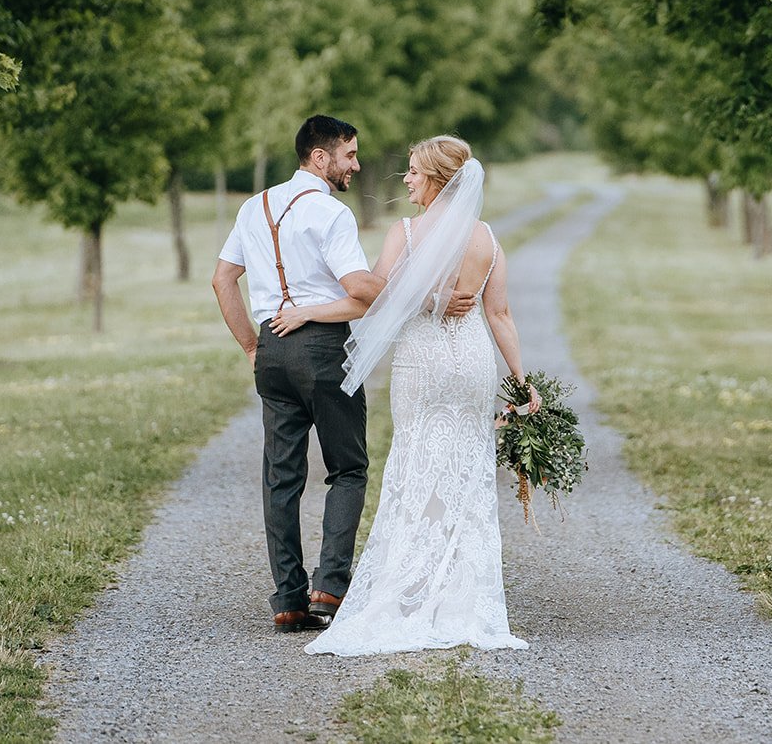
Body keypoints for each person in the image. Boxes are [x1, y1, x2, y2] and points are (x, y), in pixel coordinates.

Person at [270, 134, 541, 657]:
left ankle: (410, 593)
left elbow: (371, 295)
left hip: (424, 363)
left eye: (415, 172)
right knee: (467, 471)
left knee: (417, 464)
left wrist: (307, 310)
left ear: (438, 179)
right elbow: (500, 315)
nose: (407, 179)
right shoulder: (486, 237)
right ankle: (461, 600)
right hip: (471, 364)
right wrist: (520, 379)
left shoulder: (408, 233)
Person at [211, 116, 476, 633]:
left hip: (272, 348)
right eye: (349, 156)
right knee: (348, 469)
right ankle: (330, 587)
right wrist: (430, 301)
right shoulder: (330, 214)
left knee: (280, 478)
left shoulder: (254, 206)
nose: (356, 165)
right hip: (323, 351)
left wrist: (251, 346)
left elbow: (223, 280)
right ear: (319, 157)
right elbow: (359, 287)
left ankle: (288, 601)